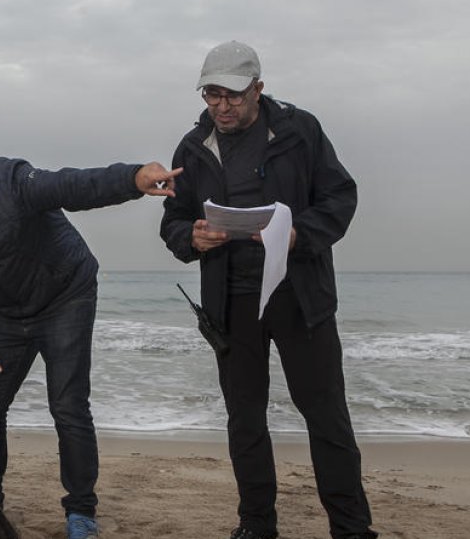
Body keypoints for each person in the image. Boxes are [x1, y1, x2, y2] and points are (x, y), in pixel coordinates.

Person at [0, 136, 180, 539]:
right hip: (10, 310)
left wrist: (133, 178)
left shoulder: (13, 183)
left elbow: (75, 186)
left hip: (66, 294)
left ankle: (81, 512)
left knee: (67, 405)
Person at [160, 40, 376, 539]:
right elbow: (173, 220)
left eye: (233, 95)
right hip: (230, 305)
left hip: (300, 297)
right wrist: (190, 237)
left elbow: (340, 197)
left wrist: (300, 233)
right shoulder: (192, 147)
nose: (222, 106)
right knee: (245, 421)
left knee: (327, 419)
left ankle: (352, 528)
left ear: (258, 88)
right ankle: (256, 525)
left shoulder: (301, 131)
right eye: (212, 95)